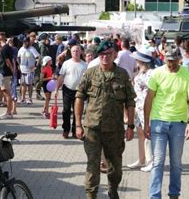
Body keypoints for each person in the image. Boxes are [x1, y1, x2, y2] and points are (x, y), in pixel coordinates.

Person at [74, 40, 136, 199]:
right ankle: (91, 195)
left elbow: (130, 101)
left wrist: (130, 126)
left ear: (114, 54)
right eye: (102, 55)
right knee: (92, 167)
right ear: (98, 56)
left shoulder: (122, 74)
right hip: (92, 129)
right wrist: (78, 124)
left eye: (108, 54)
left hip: (114, 130)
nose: (105, 58)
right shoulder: (90, 73)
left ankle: (113, 190)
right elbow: (79, 98)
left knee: (115, 167)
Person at [144, 45, 189, 199]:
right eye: (169, 61)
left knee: (176, 163)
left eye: (175, 61)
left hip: (178, 123)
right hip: (159, 122)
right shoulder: (157, 73)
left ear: (180, 60)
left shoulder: (187, 74)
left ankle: (174, 194)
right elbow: (149, 99)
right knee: (158, 162)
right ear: (164, 59)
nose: (172, 64)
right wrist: (147, 123)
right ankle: (155, 196)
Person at [127, 48, 154, 172]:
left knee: (147, 133)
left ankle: (151, 160)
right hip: (138, 106)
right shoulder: (141, 72)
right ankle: (142, 159)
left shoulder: (151, 73)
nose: (136, 61)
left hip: (145, 107)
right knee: (141, 134)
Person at [54, 45, 87, 139]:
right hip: (67, 89)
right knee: (66, 110)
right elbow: (61, 77)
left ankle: (75, 130)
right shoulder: (66, 63)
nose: (75, 53)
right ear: (70, 53)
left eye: (77, 51)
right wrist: (56, 89)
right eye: (73, 51)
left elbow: (87, 80)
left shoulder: (84, 65)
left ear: (81, 52)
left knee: (78, 112)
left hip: (79, 91)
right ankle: (66, 129)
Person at [0, 32, 15, 119]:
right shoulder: (8, 48)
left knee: (7, 93)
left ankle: (9, 112)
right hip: (6, 73)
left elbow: (8, 61)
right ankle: (8, 112)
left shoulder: (4, 48)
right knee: (6, 92)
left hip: (5, 73)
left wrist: (12, 70)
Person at [17, 37, 40, 104]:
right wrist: (18, 65)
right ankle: (23, 98)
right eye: (24, 42)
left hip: (30, 70)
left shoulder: (32, 49)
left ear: (28, 42)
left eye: (26, 42)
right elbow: (18, 57)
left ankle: (30, 99)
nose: (25, 43)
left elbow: (38, 57)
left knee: (29, 84)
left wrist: (35, 66)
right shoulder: (21, 49)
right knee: (23, 84)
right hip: (22, 69)